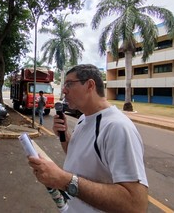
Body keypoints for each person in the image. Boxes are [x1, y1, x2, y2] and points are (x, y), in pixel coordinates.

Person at [28, 64, 148, 212]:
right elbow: (78, 156)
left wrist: (64, 180)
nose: (64, 90)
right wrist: (64, 136)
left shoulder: (117, 127)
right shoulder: (84, 118)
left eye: (69, 84)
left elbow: (136, 205)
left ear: (90, 85)